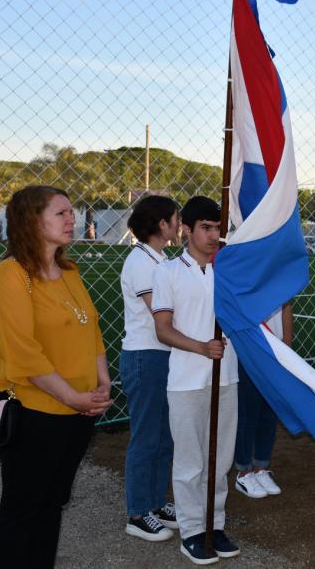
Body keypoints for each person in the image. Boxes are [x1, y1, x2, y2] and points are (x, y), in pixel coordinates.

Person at [0, 185, 113, 569]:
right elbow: (22, 352)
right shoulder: (11, 274)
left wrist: (101, 383)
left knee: (53, 503)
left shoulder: (69, 272)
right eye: (61, 213)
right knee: (22, 509)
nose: (71, 218)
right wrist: (72, 397)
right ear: (32, 220)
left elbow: (91, 329)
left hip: (78, 413)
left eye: (71, 212)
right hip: (34, 413)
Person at [151, 196, 240, 564]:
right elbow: (162, 330)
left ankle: (214, 522)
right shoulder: (168, 272)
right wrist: (202, 347)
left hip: (227, 376)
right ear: (186, 229)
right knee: (191, 460)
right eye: (205, 227)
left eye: (218, 228)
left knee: (221, 458)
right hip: (187, 380)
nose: (213, 235)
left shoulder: (228, 271)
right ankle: (192, 530)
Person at [119, 195, 180, 542]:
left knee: (163, 435)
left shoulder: (159, 258)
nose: (178, 225)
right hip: (146, 355)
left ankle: (156, 502)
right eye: (175, 219)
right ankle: (138, 511)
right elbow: (162, 310)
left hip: (161, 354)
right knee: (146, 435)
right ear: (162, 224)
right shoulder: (141, 261)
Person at [233, 302, 291, 499]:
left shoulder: (277, 273)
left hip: (275, 349)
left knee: (269, 413)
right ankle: (243, 471)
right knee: (247, 411)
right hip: (249, 347)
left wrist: (287, 348)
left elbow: (286, 306)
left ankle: (261, 468)